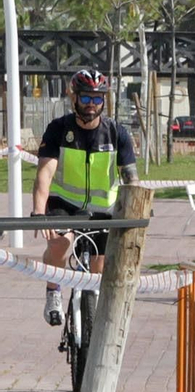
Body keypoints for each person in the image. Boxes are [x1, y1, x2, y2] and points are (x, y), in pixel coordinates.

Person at [31, 68, 138, 332]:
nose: (91, 105)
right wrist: (38, 210)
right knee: (59, 242)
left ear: (104, 101)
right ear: (74, 98)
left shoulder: (116, 133)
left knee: (99, 266)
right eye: (86, 98)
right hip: (65, 204)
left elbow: (131, 179)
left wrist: (137, 210)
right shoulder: (59, 129)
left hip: (104, 209)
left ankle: (91, 314)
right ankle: (53, 292)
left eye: (97, 99)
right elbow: (44, 174)